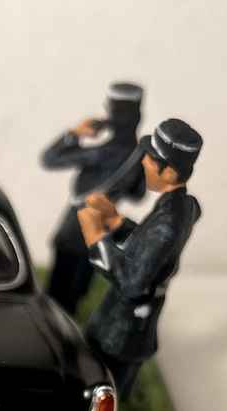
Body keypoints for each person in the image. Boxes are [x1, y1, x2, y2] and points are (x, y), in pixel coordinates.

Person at [77, 118, 203, 400]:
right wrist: (116, 221)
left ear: (169, 172)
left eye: (151, 159)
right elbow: (150, 245)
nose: (144, 162)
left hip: (121, 330)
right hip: (135, 326)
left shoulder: (168, 224)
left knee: (103, 389)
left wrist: (96, 237)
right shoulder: (183, 206)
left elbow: (131, 282)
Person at [38, 81, 146, 315]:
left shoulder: (102, 153)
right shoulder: (139, 155)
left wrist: (75, 133)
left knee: (60, 292)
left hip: (76, 226)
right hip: (100, 227)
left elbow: (49, 159)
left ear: (113, 114)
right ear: (138, 116)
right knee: (79, 287)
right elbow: (138, 194)